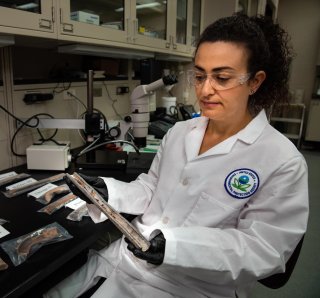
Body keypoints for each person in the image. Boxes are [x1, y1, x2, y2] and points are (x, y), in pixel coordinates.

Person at [44, 13, 309, 298]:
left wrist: (175, 247)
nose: (205, 90)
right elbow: (152, 189)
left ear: (255, 82)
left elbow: (264, 250)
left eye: (221, 78)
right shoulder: (181, 132)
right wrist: (108, 192)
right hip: (125, 257)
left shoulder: (282, 161)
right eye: (199, 76)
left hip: (191, 285)